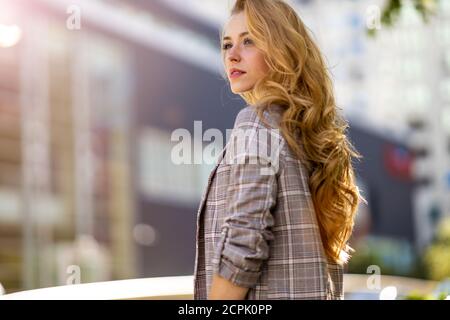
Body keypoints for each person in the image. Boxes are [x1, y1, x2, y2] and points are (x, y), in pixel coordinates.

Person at [193, 0, 365, 300]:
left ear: (280, 48)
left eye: (249, 41)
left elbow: (244, 241)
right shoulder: (307, 133)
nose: (232, 55)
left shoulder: (256, 123)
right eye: (226, 44)